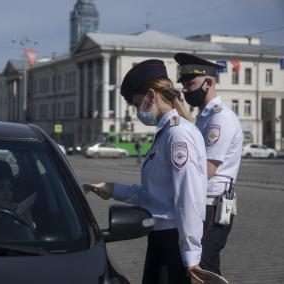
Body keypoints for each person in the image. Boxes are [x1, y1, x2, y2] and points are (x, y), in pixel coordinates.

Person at [83, 59, 208, 284]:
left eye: (137, 104)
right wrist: (113, 189)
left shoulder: (177, 135)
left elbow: (188, 198)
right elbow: (155, 195)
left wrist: (190, 255)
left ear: (151, 96)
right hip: (160, 239)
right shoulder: (165, 134)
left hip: (173, 242)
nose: (136, 111)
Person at [174, 53, 243, 275]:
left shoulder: (219, 119)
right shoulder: (205, 116)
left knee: (203, 268)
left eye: (190, 83)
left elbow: (207, 171)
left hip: (212, 205)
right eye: (183, 84)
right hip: (203, 203)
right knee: (197, 268)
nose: (185, 90)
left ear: (208, 82)